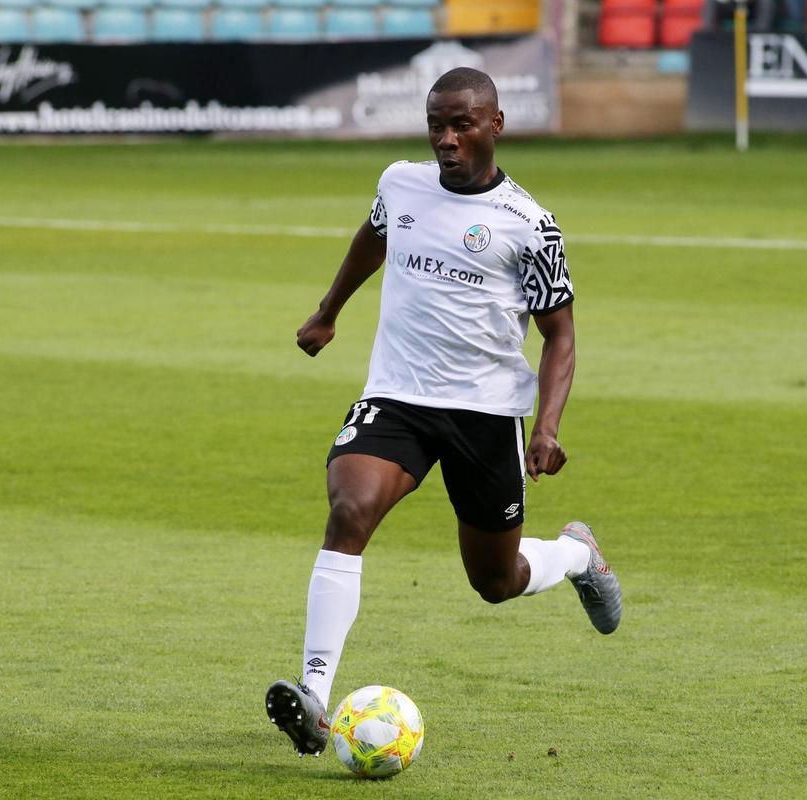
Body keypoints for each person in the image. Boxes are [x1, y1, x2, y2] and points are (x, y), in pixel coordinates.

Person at [265, 67, 622, 757]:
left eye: (462, 125)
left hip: (485, 415)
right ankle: (314, 693)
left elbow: (561, 336)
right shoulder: (400, 182)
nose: (447, 139)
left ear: (495, 125)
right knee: (349, 511)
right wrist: (329, 310)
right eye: (437, 125)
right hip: (397, 395)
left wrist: (546, 427)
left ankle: (577, 555)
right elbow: (375, 236)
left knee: (496, 580)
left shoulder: (530, 225)